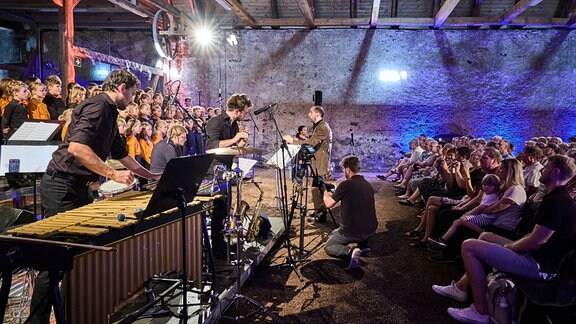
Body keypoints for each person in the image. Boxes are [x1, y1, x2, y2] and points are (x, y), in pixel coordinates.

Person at [30, 69, 160, 324]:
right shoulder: (98, 106)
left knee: (78, 260)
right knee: (56, 260)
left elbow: (122, 155)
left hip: (78, 188)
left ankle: (73, 315)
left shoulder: (111, 112)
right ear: (122, 87)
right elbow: (78, 149)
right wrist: (113, 174)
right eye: (133, 92)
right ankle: (38, 320)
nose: (134, 99)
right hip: (61, 186)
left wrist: (152, 176)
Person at [432, 154, 576, 323]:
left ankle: (480, 311)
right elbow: (535, 237)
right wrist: (510, 244)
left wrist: (510, 247)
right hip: (535, 256)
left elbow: (537, 241)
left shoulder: (557, 202)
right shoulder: (557, 198)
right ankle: (461, 288)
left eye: (546, 167)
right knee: (485, 235)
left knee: (469, 246)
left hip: (539, 266)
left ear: (555, 172)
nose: (542, 169)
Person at [205, 93, 251, 257]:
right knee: (219, 210)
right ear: (237, 111)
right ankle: (217, 250)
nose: (245, 115)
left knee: (225, 210)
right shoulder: (216, 121)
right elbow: (212, 145)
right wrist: (236, 137)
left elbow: (234, 150)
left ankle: (224, 244)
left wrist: (242, 141)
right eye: (245, 112)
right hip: (214, 171)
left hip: (226, 169)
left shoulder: (233, 125)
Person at [322, 156, 378, 270]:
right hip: (371, 228)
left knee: (330, 245)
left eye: (344, 169)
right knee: (361, 217)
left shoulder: (346, 184)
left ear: (347, 170)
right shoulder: (367, 184)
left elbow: (328, 204)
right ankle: (363, 245)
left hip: (352, 231)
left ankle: (350, 253)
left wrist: (324, 191)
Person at [284, 106, 333, 222]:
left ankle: (321, 213)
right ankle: (320, 212)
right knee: (317, 186)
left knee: (318, 187)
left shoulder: (322, 127)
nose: (308, 114)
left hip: (320, 162)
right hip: (317, 161)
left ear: (317, 114)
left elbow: (311, 142)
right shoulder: (320, 126)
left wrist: (293, 141)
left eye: (311, 112)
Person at [427, 174, 500, 248]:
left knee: (460, 221)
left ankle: (482, 232)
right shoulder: (486, 194)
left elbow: (480, 208)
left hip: (487, 218)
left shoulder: (492, 196)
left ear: (496, 187)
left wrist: (468, 214)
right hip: (483, 216)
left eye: (490, 186)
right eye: (485, 185)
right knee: (459, 221)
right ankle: (443, 239)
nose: (486, 187)